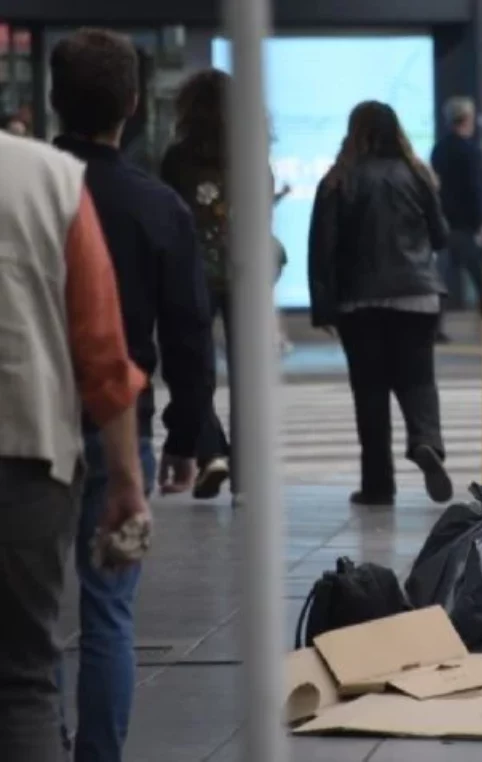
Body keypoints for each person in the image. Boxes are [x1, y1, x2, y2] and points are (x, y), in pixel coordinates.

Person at [48, 29, 216, 761]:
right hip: (121, 428)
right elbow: (188, 337)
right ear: (136, 105)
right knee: (109, 612)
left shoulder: (25, 190)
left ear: (54, 100)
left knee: (28, 616)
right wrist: (186, 438)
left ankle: (30, 736)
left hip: (25, 426)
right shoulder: (157, 207)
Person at [0, 129, 149, 762]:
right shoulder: (49, 177)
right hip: (25, 452)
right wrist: (125, 479)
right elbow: (101, 347)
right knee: (22, 682)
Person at [308, 101, 454, 507]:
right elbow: (440, 236)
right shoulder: (417, 174)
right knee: (418, 379)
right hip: (419, 295)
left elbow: (323, 249)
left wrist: (324, 308)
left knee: (370, 392)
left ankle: (378, 484)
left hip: (361, 301)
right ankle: (427, 442)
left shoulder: (339, 180)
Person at [161, 69, 282, 503]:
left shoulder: (177, 159)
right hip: (245, 275)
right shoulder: (253, 155)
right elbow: (264, 214)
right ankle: (247, 479)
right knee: (247, 374)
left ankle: (212, 453)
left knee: (194, 371)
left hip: (191, 272)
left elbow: (167, 218)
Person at [430, 96, 482, 325]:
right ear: (468, 119)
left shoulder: (439, 149)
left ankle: (435, 326)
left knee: (442, 279)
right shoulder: (470, 151)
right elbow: (476, 189)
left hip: (444, 224)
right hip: (467, 227)